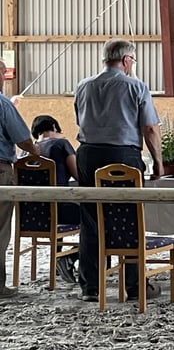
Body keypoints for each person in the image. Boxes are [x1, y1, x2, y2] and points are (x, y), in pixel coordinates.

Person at [73, 39, 164, 303]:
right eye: (132, 61)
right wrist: (157, 160)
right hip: (123, 153)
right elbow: (150, 128)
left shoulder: (83, 85)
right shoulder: (136, 86)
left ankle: (91, 286)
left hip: (88, 153)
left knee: (91, 219)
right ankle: (135, 285)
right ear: (127, 60)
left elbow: (79, 120)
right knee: (130, 217)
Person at [0, 59, 40, 299]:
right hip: (0, 170)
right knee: (0, 229)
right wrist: (36, 151)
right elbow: (23, 139)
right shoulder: (3, 104)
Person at [30, 114, 80, 283]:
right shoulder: (62, 144)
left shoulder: (27, 151)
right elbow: (78, 174)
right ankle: (70, 256)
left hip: (32, 215)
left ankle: (58, 261)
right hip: (60, 211)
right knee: (96, 215)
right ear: (54, 126)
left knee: (58, 205)